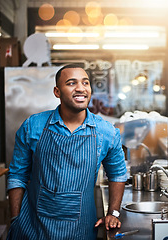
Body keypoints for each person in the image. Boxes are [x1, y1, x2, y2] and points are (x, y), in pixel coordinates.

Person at [7, 64, 127, 239]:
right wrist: (15, 218)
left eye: (85, 83)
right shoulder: (33, 126)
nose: (80, 88)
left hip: (81, 230)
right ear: (57, 92)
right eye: (71, 83)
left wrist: (113, 213)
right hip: (32, 229)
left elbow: (118, 174)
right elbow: (17, 175)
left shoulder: (107, 132)